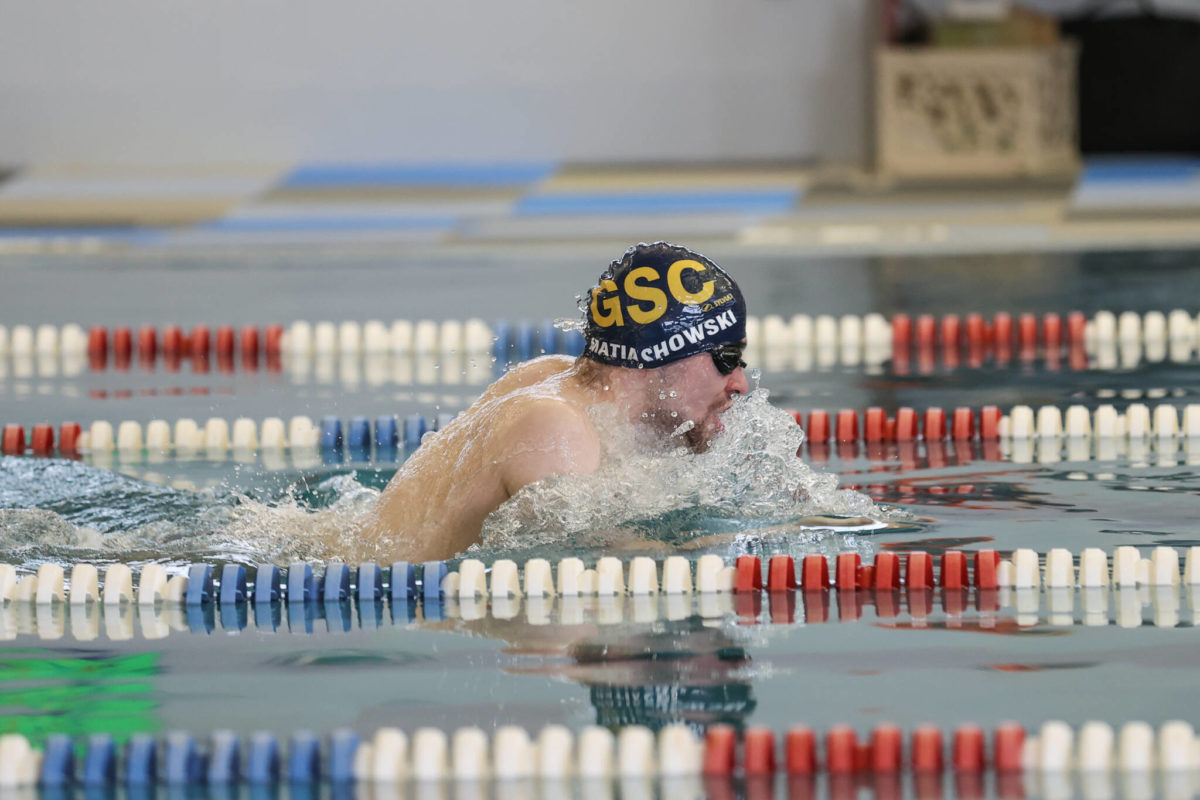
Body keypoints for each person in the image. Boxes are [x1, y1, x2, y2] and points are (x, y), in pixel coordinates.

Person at [362, 242, 750, 562]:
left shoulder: (553, 375)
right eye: (726, 358)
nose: (740, 384)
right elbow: (609, 562)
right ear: (659, 355)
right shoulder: (554, 426)